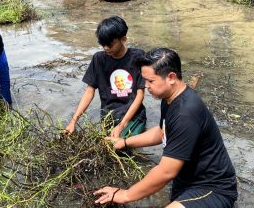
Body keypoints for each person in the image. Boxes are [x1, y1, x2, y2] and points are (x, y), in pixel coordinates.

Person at [94, 48, 237, 208]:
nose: (146, 87)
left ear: (171, 77)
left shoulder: (186, 114)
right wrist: (124, 142)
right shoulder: (169, 98)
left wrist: (125, 194)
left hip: (212, 189)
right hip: (185, 183)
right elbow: (162, 132)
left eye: (151, 81)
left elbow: (166, 172)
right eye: (145, 81)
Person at [65, 16, 146, 138]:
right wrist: (73, 121)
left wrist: (122, 124)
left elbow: (140, 95)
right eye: (103, 45)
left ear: (123, 39)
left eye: (110, 44)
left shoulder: (138, 57)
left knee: (122, 145)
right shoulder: (98, 59)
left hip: (133, 117)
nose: (106, 48)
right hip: (109, 117)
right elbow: (89, 92)